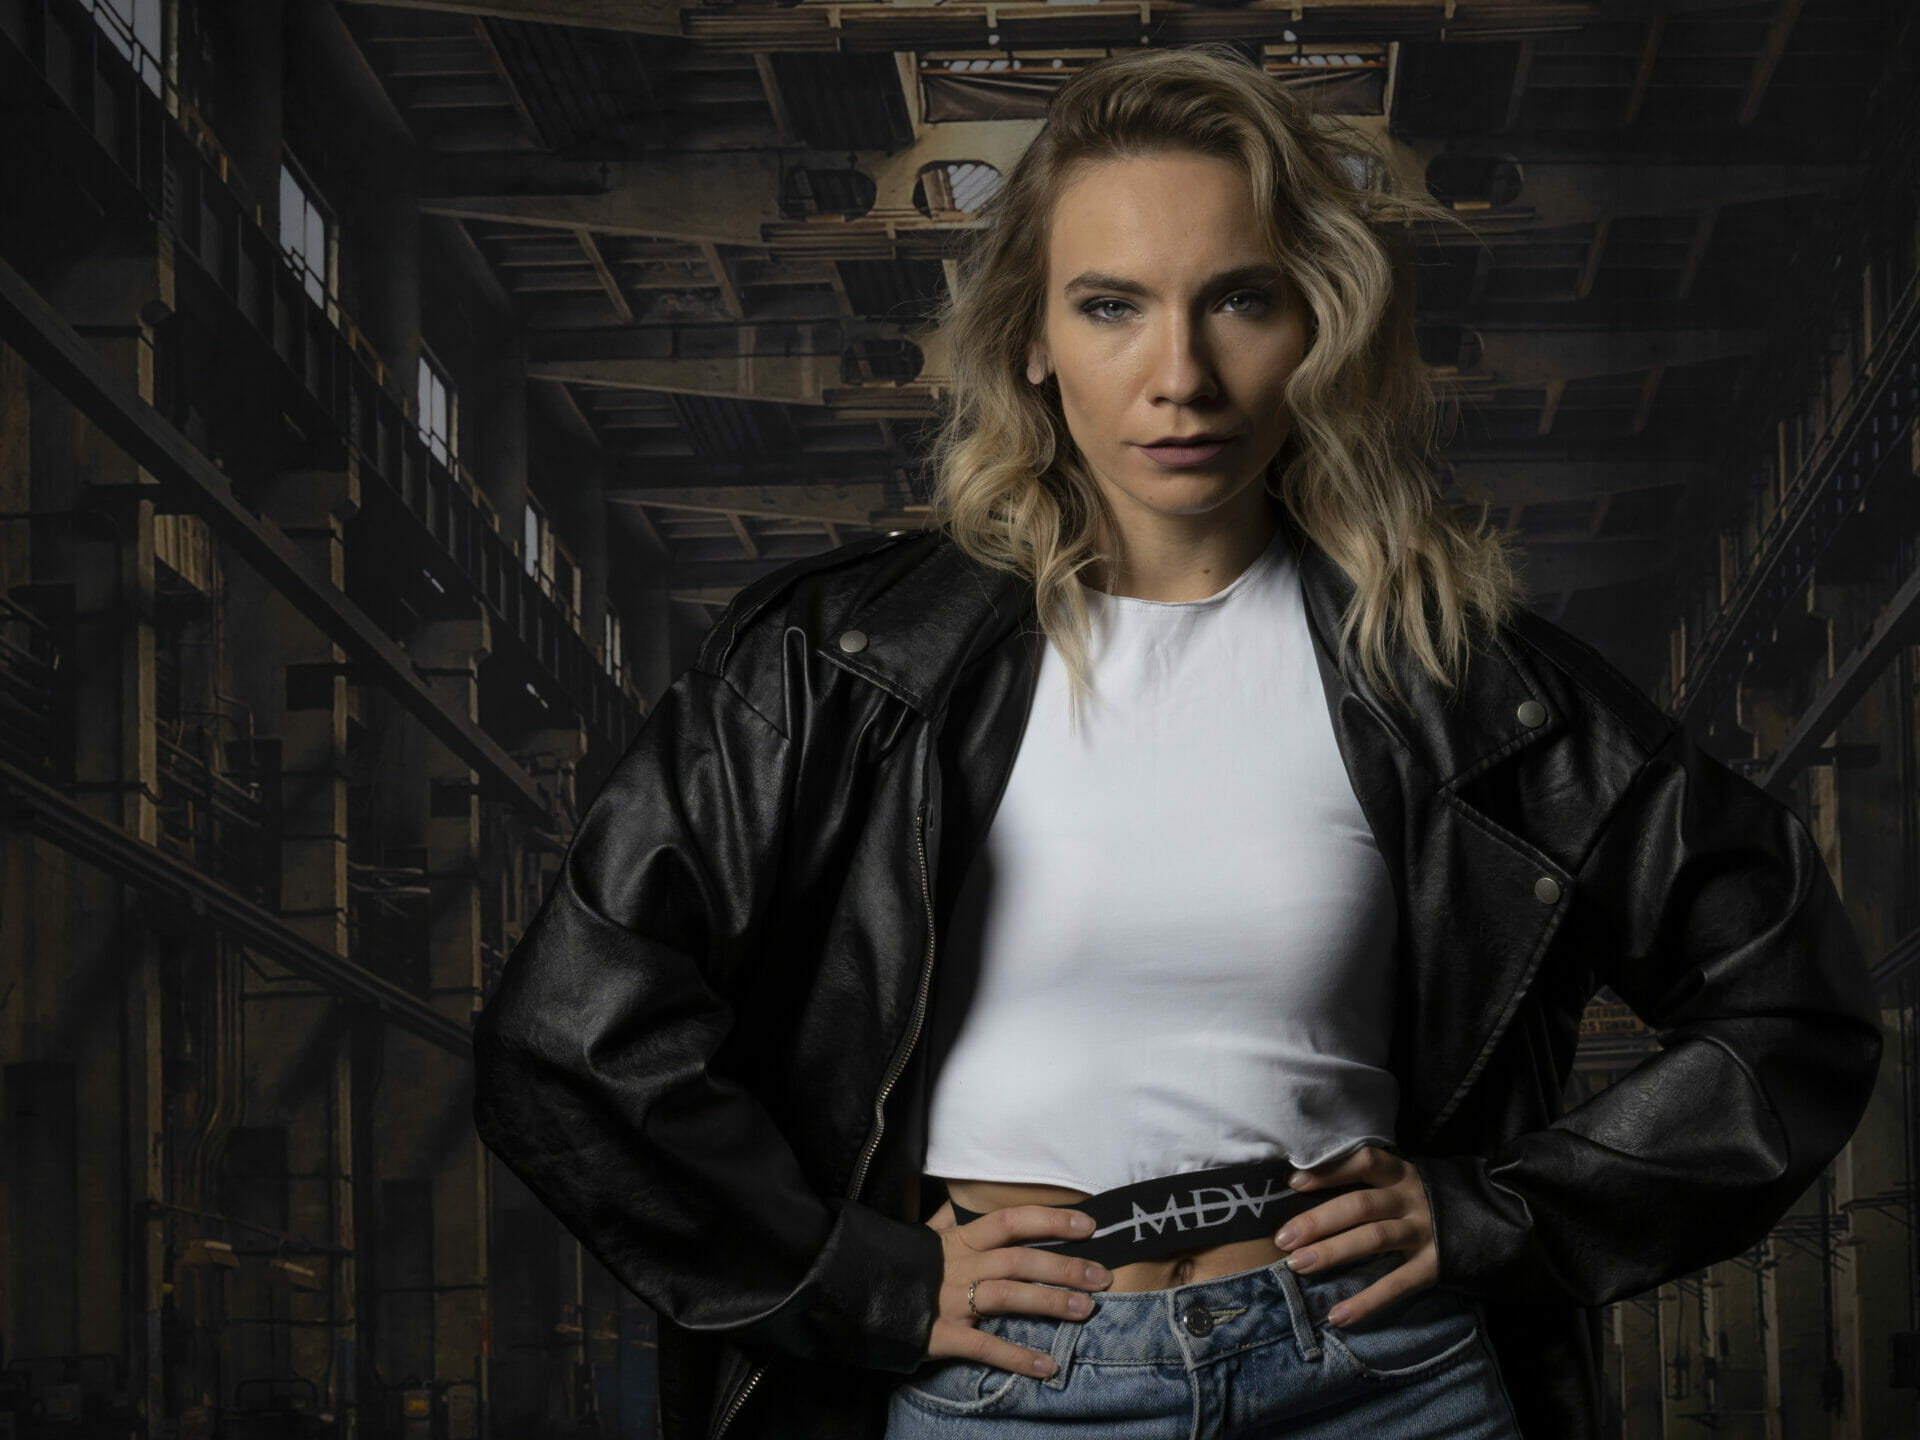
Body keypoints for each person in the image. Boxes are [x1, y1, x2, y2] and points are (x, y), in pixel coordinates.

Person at [471, 43, 1883, 1440]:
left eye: (1241, 302)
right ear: (1032, 337)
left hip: (1383, 1379)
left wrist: (1502, 1216)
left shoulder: (1465, 682)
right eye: (1109, 306)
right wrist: (857, 1278)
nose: (1181, 376)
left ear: (1317, 325)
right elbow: (571, 1035)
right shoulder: (840, 665)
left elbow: (1790, 1006)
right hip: (1011, 1384)